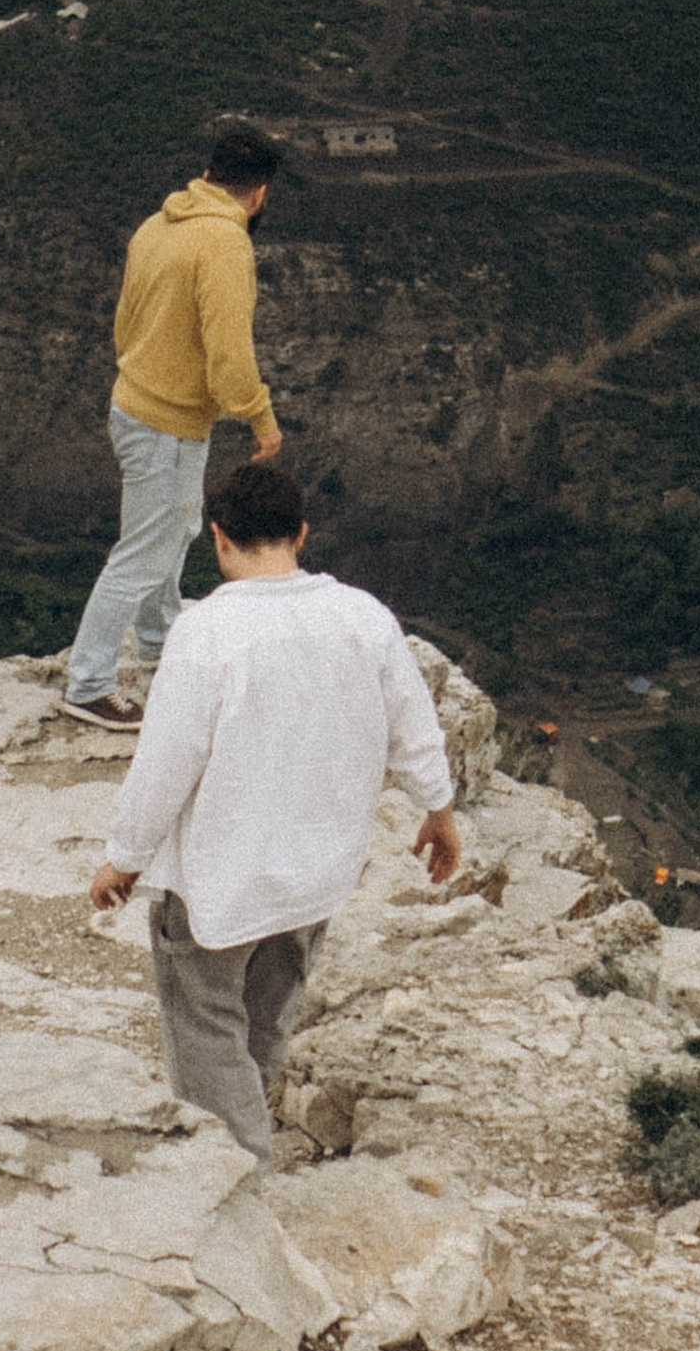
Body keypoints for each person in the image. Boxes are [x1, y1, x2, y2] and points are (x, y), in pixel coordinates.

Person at [89, 458, 461, 1160]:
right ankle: (245, 1146)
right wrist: (438, 809)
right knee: (263, 1025)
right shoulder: (363, 617)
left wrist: (125, 858)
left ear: (219, 537)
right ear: (302, 534)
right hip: (315, 876)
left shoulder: (206, 634)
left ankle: (239, 1174)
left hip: (216, 881)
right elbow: (414, 724)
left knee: (204, 1032)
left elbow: (166, 764)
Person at [61, 123, 286, 731]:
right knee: (141, 551)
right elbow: (230, 352)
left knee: (178, 524)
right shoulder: (224, 244)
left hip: (137, 402)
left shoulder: (158, 225)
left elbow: (125, 319)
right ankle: (87, 684)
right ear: (259, 193)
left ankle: (161, 637)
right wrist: (260, 417)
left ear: (208, 175)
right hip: (166, 420)